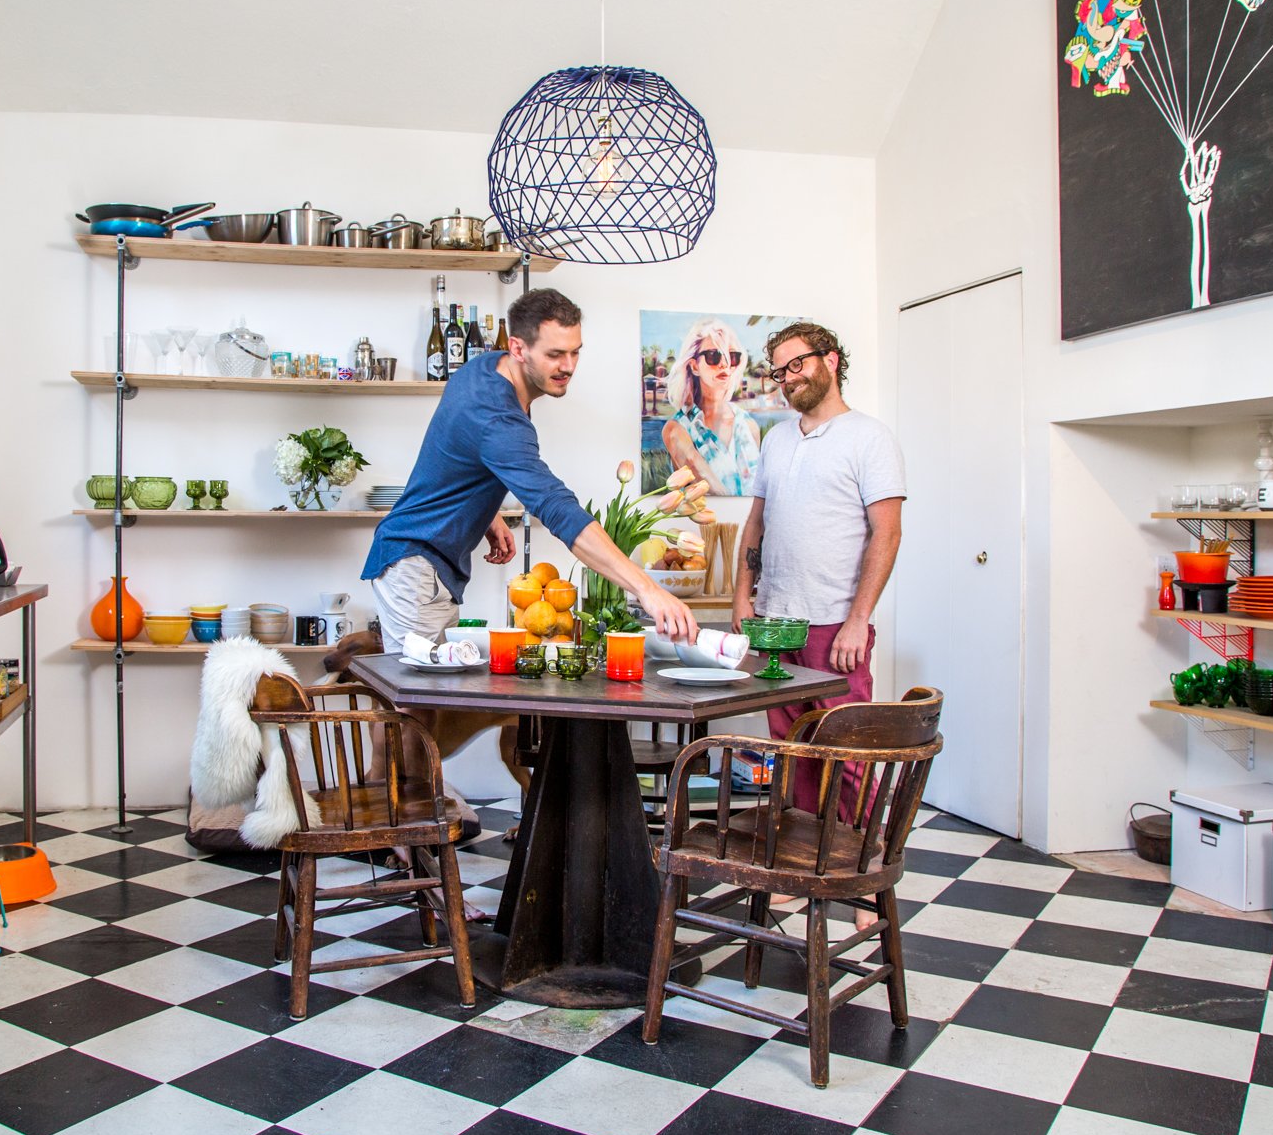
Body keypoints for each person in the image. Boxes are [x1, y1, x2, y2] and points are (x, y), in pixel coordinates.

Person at [364, 288, 699, 647]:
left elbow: (455, 449)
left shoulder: (484, 369)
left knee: (436, 690)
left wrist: (485, 510)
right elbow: (558, 509)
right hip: (414, 564)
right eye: (555, 354)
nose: (568, 366)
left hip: (424, 563)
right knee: (419, 698)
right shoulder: (498, 418)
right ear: (518, 348)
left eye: (574, 352)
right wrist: (648, 590)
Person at [732, 321, 905, 827]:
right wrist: (743, 598)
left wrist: (859, 619)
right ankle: (804, 864)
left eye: (797, 364)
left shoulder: (871, 438)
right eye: (779, 371)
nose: (787, 378)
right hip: (774, 622)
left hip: (834, 624)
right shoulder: (777, 440)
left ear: (830, 360)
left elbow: (887, 534)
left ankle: (863, 878)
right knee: (791, 752)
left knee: (848, 755)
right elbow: (756, 525)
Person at [660, 316, 762, 496]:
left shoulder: (749, 426)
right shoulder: (677, 430)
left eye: (733, 357)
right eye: (713, 356)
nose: (725, 364)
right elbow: (712, 489)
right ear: (694, 366)